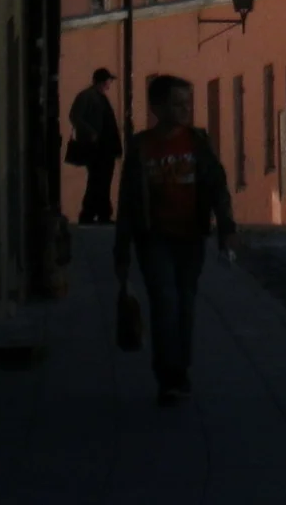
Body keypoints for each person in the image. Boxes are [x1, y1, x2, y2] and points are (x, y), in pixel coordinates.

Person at [114, 74, 236, 405]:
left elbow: (217, 187)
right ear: (156, 107)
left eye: (187, 103)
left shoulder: (197, 142)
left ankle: (181, 369)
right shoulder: (141, 147)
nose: (184, 110)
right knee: (165, 303)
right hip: (154, 239)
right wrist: (121, 252)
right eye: (177, 103)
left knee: (186, 305)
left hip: (191, 237)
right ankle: (168, 377)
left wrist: (226, 231)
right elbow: (127, 201)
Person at [67, 66, 123, 225]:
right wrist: (90, 133)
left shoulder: (98, 97)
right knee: (98, 180)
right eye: (107, 81)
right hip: (96, 147)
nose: (109, 84)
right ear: (101, 81)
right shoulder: (88, 96)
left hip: (104, 147)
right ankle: (91, 213)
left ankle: (99, 213)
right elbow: (75, 116)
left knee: (102, 180)